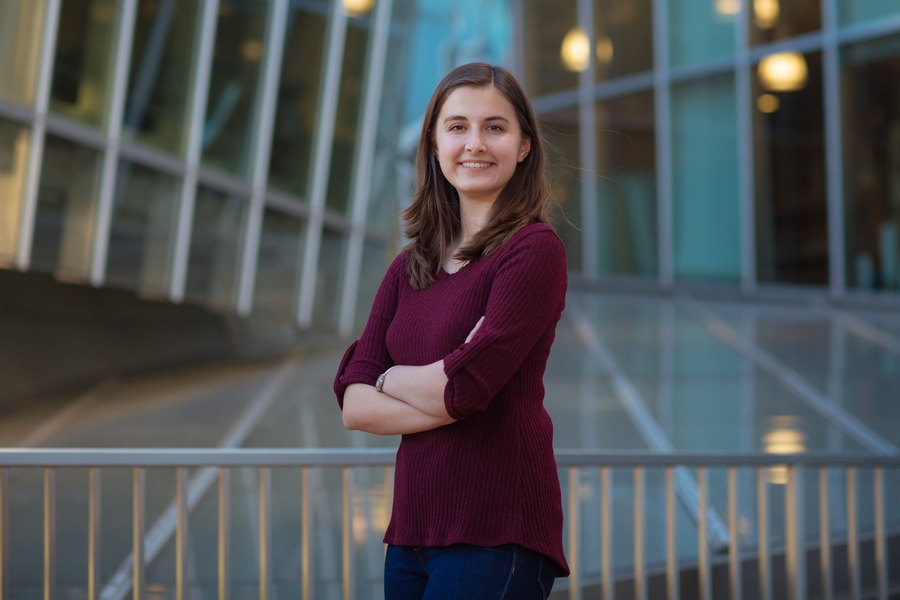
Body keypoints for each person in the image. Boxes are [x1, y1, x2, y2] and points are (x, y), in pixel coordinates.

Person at [333, 62, 568, 600]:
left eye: (495, 127)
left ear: (524, 145)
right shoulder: (409, 265)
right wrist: (435, 378)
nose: (474, 144)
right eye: (457, 126)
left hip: (497, 531)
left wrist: (390, 378)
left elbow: (466, 387)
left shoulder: (533, 251)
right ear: (435, 145)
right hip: (412, 533)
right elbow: (354, 405)